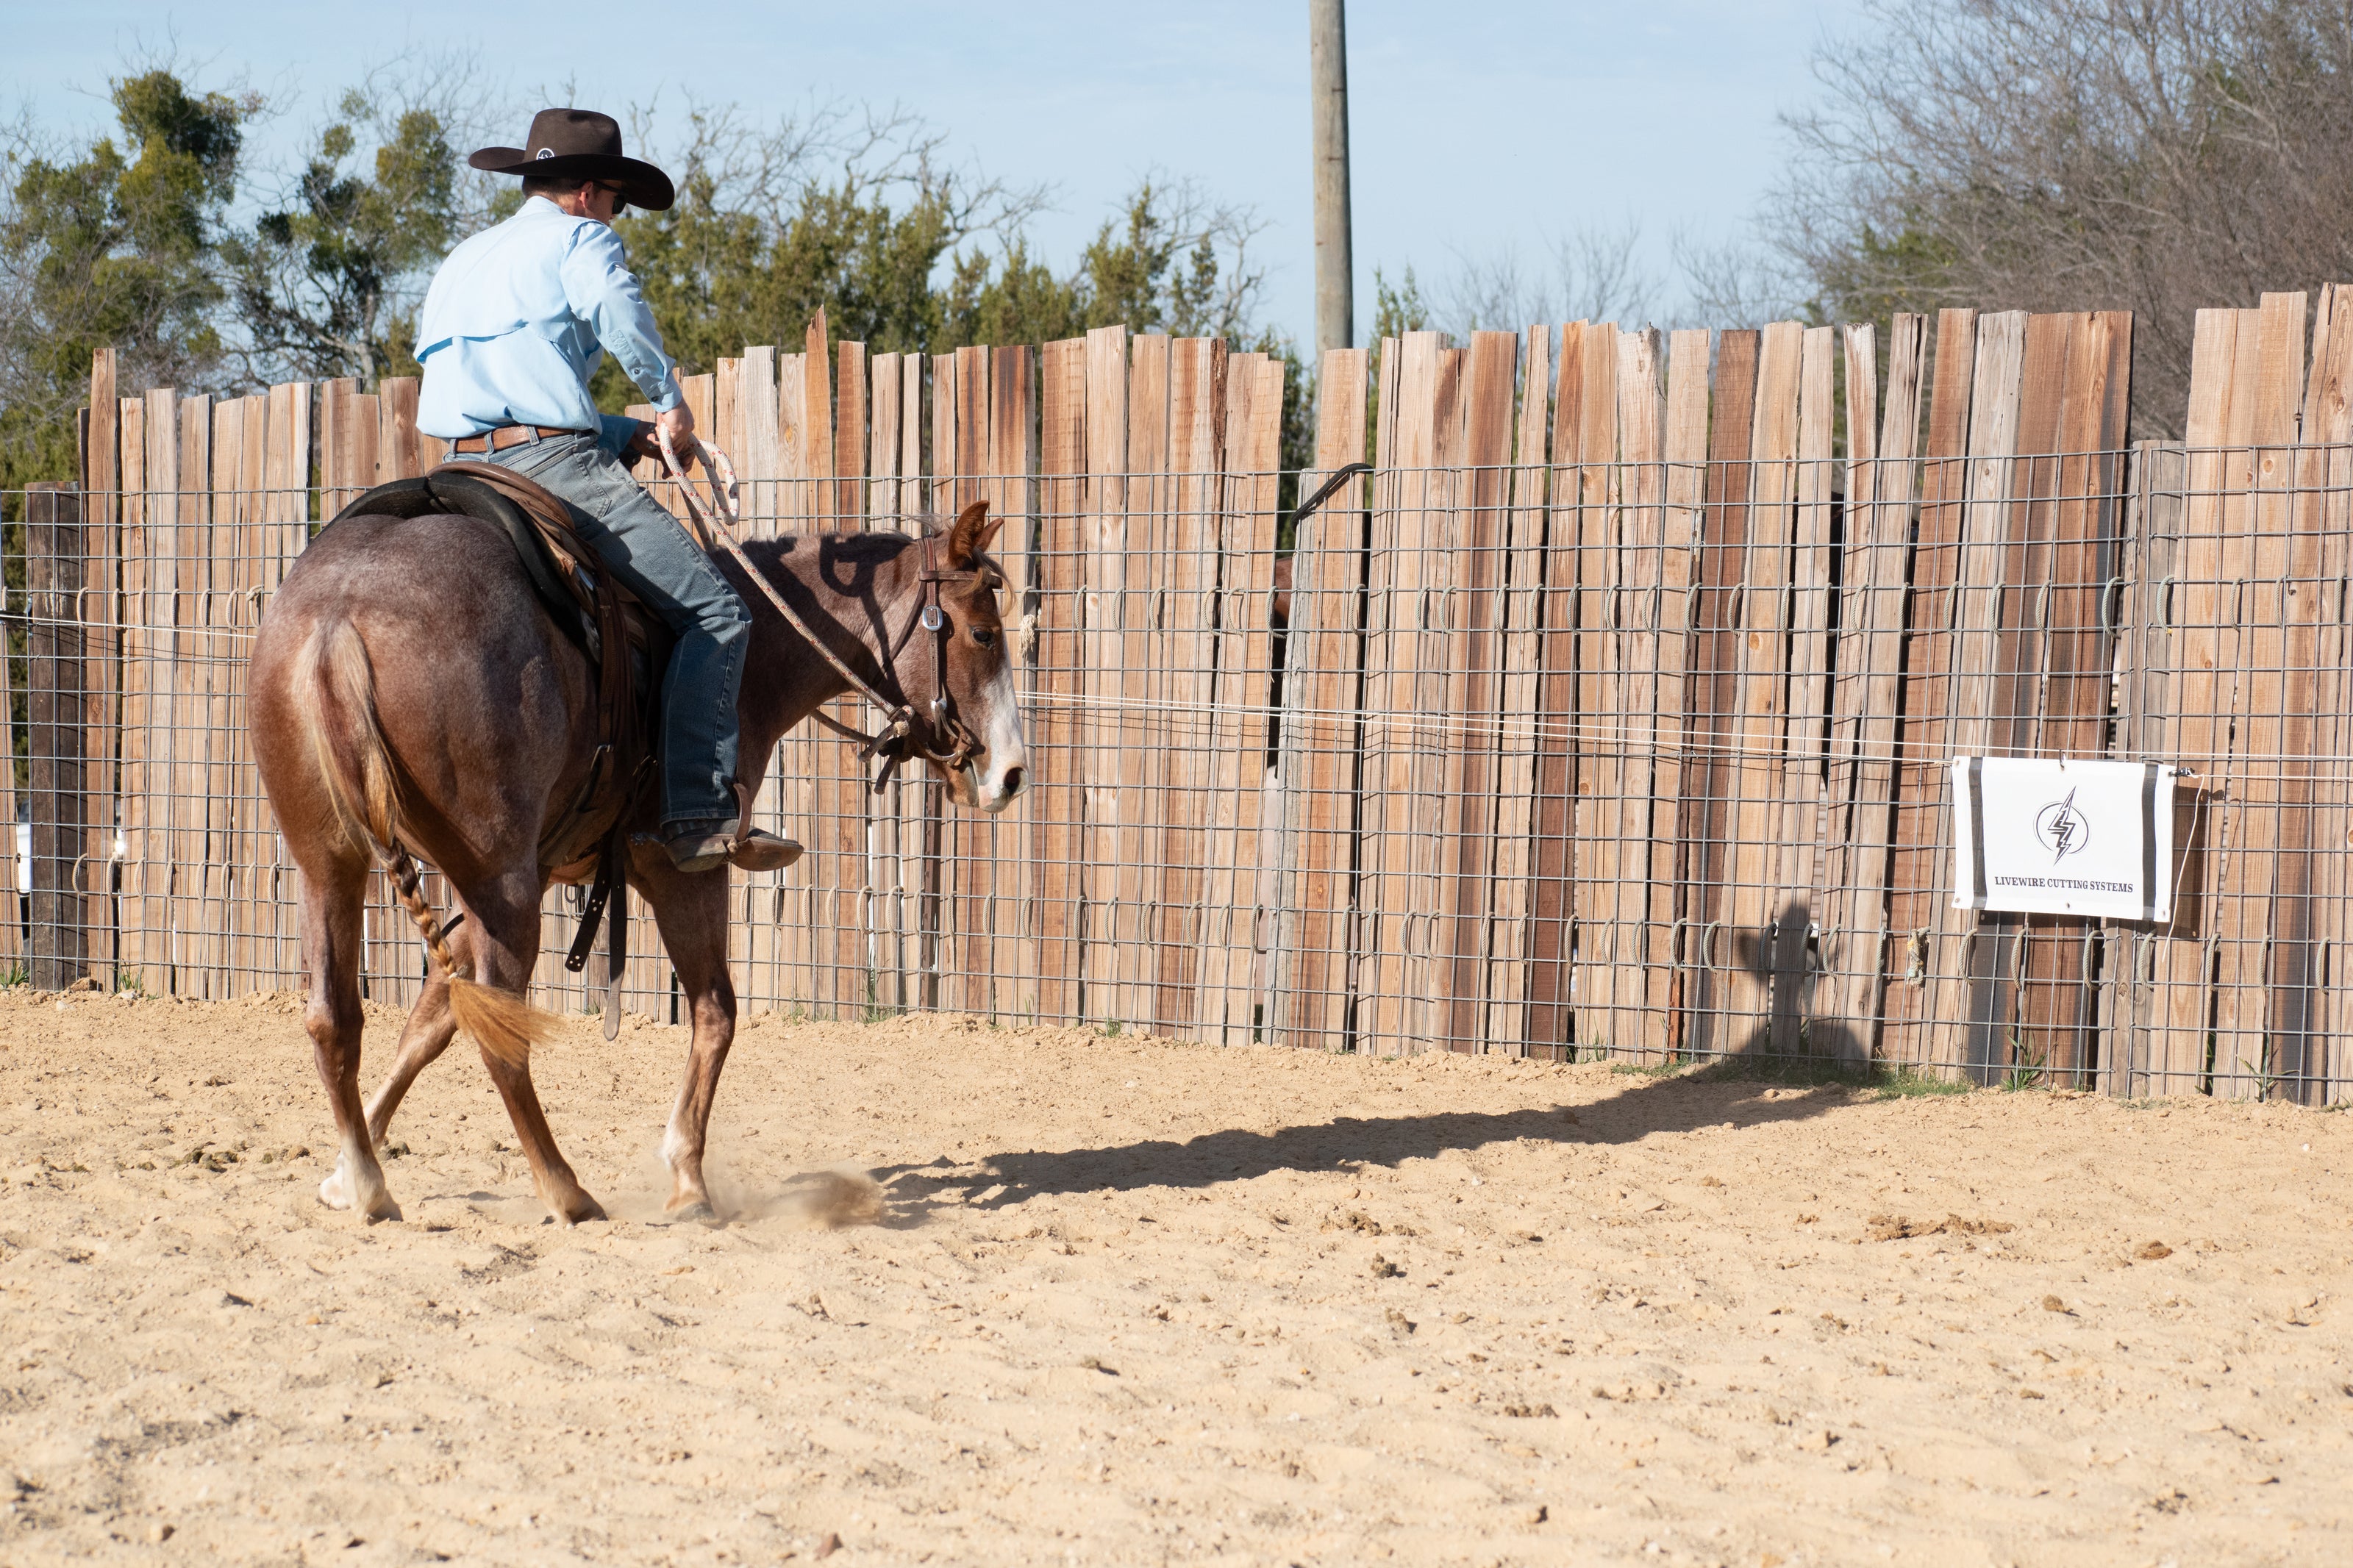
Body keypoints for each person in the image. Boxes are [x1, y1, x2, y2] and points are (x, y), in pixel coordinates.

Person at [415, 107, 781, 874]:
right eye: (616, 201)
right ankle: (695, 813)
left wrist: (624, 434)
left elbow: (515, 384)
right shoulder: (579, 238)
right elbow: (613, 314)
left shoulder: (465, 258)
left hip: (455, 468)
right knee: (716, 613)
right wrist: (667, 400)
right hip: (550, 468)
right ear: (587, 192)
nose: (616, 217)